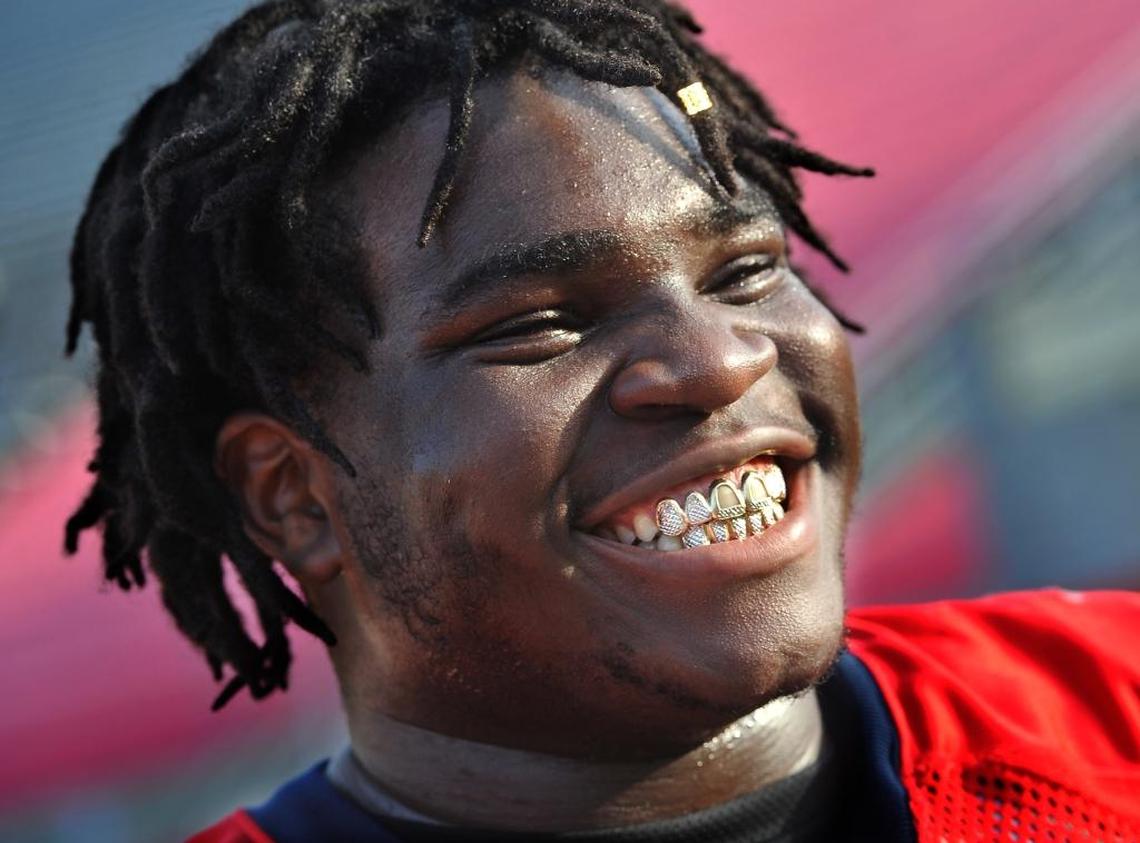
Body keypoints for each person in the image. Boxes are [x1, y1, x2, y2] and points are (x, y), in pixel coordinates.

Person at [63, 1, 1140, 840]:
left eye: (746, 270)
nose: (720, 361)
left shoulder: (1111, 695)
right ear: (293, 496)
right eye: (539, 324)